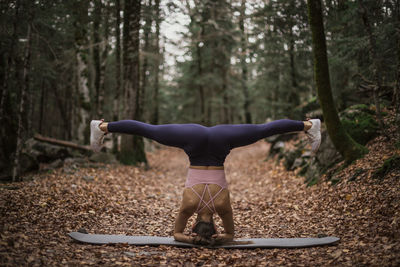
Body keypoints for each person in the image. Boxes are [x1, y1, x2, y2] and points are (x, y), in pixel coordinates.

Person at [90, 118, 321, 245]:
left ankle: (309, 126)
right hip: (193, 140)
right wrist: (189, 239)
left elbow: (230, 235)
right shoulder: (188, 206)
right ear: (194, 225)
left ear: (216, 226)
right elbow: (176, 234)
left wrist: (224, 237)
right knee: (149, 130)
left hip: (222, 141)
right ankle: (102, 127)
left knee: (262, 130)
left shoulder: (222, 207)